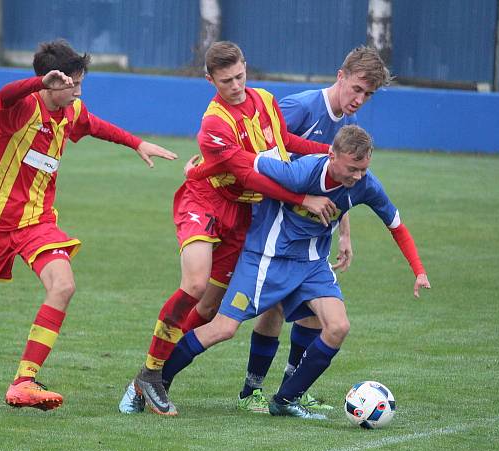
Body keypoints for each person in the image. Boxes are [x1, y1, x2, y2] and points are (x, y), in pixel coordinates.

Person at [0, 39, 177, 410]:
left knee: (64, 285)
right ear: (52, 82)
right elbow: (0, 97)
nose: (79, 91)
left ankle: (24, 381)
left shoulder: (71, 112)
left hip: (36, 221)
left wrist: (136, 143)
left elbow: (95, 125)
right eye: (73, 83)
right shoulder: (22, 108)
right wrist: (35, 84)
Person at [120, 41, 337, 416]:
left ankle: (151, 380)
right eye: (226, 81)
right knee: (194, 285)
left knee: (207, 309)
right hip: (204, 203)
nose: (236, 85)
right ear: (210, 80)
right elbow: (251, 174)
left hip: (243, 215)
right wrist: (303, 200)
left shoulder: (266, 99)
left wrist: (328, 152)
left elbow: (284, 142)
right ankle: (152, 373)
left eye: (239, 76)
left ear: (245, 68)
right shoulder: (213, 126)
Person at [158, 124, 430, 418]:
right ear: (332, 155)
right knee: (223, 328)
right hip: (266, 259)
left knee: (338, 327)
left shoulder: (366, 185)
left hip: (312, 265)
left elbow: (396, 225)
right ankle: (155, 380)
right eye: (353, 168)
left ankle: (286, 399)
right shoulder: (300, 172)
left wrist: (419, 270)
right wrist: (195, 173)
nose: (358, 176)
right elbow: (243, 162)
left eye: (363, 169)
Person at [235, 46, 392, 414]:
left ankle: (292, 390)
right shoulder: (301, 108)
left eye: (368, 95)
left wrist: (346, 233)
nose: (360, 99)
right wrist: (301, 201)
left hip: (312, 234)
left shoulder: (347, 129)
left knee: (308, 309)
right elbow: (260, 157)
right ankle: (250, 391)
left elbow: (339, 184)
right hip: (274, 222)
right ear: (341, 75)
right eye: (356, 89)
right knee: (272, 305)